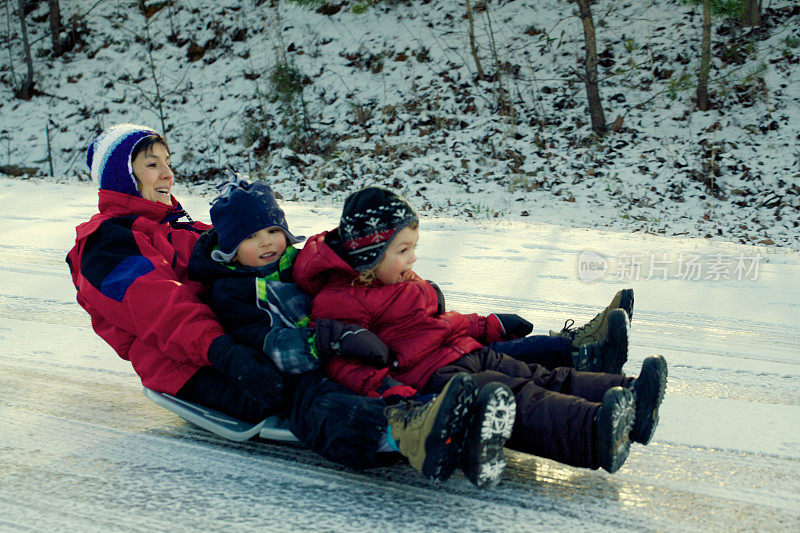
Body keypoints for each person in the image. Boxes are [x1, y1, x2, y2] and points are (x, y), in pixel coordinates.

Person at [65, 123, 509, 487]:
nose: (168, 174)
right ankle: (404, 432)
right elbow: (161, 310)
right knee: (298, 386)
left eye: (167, 162)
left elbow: (272, 259)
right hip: (191, 364)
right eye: (151, 165)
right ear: (124, 177)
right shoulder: (107, 244)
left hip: (246, 333)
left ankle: (473, 385)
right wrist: (229, 354)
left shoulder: (188, 228)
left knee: (359, 331)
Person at [293, 186, 669, 474]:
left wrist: (487, 325)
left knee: (543, 376)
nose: (414, 258)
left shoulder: (403, 280)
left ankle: (630, 397)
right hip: (436, 376)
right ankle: (595, 432)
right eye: (403, 250)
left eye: (414, 247)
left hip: (464, 349)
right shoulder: (338, 301)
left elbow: (439, 322)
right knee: (521, 399)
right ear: (369, 256)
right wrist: (399, 396)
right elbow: (345, 367)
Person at [187, 178, 517, 488]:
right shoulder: (231, 290)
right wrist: (325, 340)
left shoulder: (297, 263)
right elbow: (264, 341)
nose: (266, 241)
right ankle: (403, 433)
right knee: (327, 406)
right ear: (228, 250)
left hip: (339, 349)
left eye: (273, 229)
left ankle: (447, 420)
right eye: (250, 236)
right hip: (289, 372)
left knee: (386, 372)